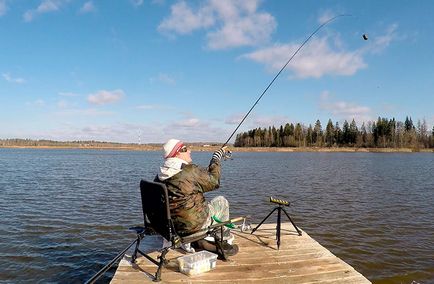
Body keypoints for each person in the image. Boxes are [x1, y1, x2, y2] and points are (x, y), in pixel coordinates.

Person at [156, 139, 237, 255]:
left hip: (172, 227)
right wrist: (216, 159)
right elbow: (214, 181)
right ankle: (222, 241)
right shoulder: (189, 171)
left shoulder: (160, 175)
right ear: (177, 154)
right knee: (221, 201)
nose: (189, 150)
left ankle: (200, 240)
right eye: (185, 149)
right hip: (194, 225)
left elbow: (198, 177)